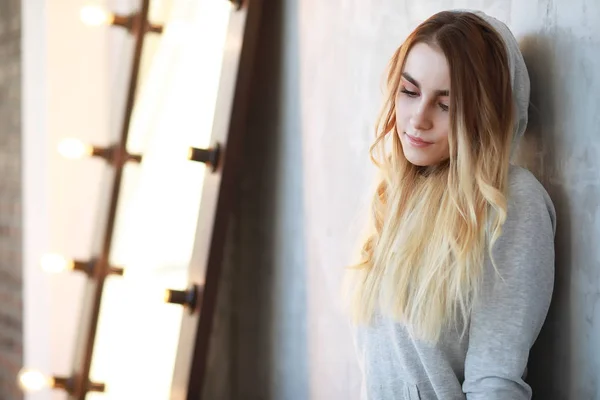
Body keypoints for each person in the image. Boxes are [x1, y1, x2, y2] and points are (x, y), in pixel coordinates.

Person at [343, 10, 556, 400]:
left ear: (485, 115)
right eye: (409, 92)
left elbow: (496, 381)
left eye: (446, 105)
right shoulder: (396, 195)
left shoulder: (513, 201)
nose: (418, 119)